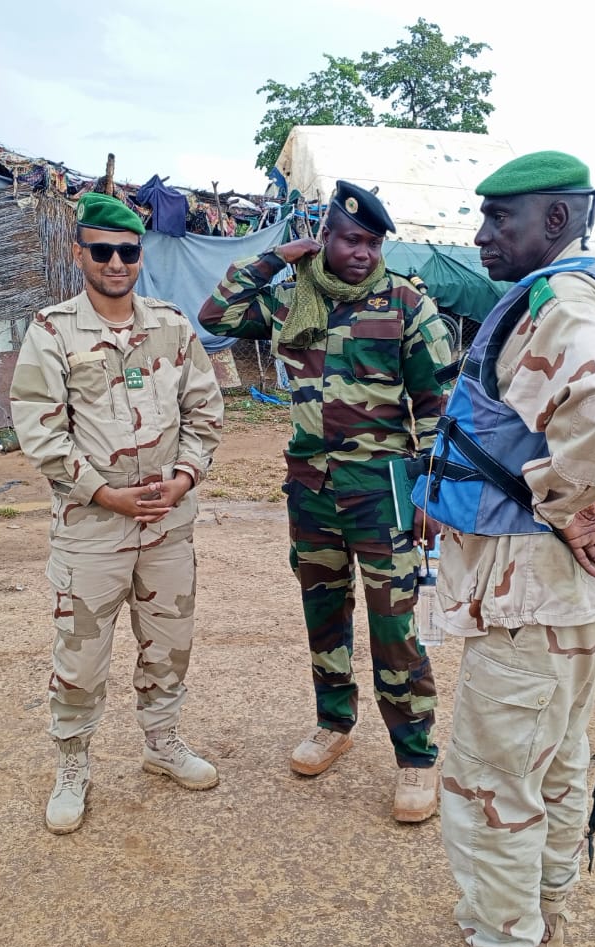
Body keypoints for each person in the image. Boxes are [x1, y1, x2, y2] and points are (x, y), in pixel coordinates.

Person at [423, 151, 595, 947]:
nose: (482, 235)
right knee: (557, 761)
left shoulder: (560, 299)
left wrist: (568, 502)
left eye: (501, 218)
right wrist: (588, 486)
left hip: (528, 590)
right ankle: (546, 910)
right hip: (566, 594)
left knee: (492, 782)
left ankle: (504, 938)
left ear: (558, 219)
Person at [199, 181, 455, 822]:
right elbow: (216, 317)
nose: (364, 253)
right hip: (311, 489)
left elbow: (437, 409)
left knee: (395, 626)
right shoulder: (293, 298)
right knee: (324, 615)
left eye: (373, 243)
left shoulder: (406, 304)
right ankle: (333, 724)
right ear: (325, 238)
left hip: (383, 491)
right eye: (351, 240)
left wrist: (432, 495)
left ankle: (416, 757)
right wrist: (274, 258)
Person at [10, 192, 224, 835]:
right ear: (80, 253)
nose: (115, 263)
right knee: (80, 657)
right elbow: (40, 430)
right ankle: (72, 763)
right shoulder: (53, 331)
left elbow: (205, 412)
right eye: (102, 250)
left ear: (140, 257)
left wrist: (184, 479)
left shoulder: (172, 327)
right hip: (93, 530)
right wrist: (104, 494)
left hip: (167, 527)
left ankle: (162, 743)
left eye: (127, 252)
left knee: (169, 644)